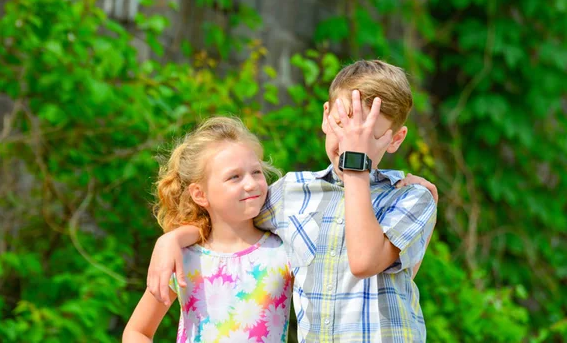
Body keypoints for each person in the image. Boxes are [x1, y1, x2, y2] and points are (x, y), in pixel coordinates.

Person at [147, 60, 438, 342]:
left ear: (396, 139)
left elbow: (364, 262)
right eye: (341, 126)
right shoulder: (291, 193)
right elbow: (227, 219)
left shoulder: (410, 197)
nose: (350, 144)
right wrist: (171, 240)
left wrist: (356, 167)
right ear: (326, 116)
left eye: (365, 136)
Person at [123, 117, 293, 342]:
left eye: (256, 172)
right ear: (200, 194)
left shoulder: (285, 251)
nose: (251, 183)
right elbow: (136, 332)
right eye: (234, 177)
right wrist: (171, 240)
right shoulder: (183, 258)